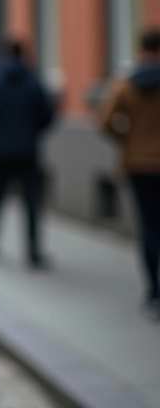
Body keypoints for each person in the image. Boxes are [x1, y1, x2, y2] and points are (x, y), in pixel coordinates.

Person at [99, 28, 160, 320]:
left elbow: (105, 120)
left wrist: (128, 140)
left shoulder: (126, 84)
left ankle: (154, 293)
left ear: (140, 50)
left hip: (138, 164)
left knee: (149, 228)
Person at [0, 39, 55, 269]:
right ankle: (32, 250)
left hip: (2, 150)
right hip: (28, 150)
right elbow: (47, 115)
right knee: (31, 201)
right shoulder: (33, 83)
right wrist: (31, 133)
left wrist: (0, 135)